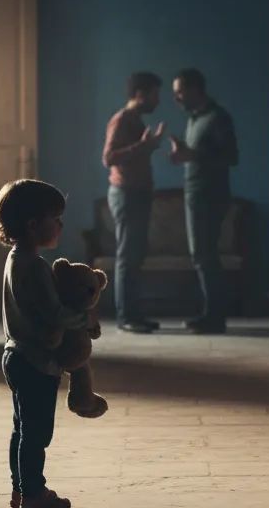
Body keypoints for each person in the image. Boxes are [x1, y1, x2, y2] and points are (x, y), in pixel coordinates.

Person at [0, 178, 102, 508]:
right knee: (37, 432)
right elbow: (53, 313)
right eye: (56, 217)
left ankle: (21, 488)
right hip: (35, 359)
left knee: (22, 427)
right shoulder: (34, 265)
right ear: (33, 224)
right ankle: (34, 494)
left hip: (15, 354)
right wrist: (84, 320)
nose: (61, 224)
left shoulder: (16, 258)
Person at [170, 68, 239, 334]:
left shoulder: (218, 117)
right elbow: (197, 155)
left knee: (205, 256)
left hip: (210, 195)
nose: (176, 98)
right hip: (195, 194)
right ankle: (210, 315)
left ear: (195, 89)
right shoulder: (194, 119)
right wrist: (184, 156)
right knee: (202, 256)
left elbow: (232, 157)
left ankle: (214, 318)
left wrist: (192, 154)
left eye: (179, 92)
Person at [102, 71, 165, 333]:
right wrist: (144, 146)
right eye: (154, 94)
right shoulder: (122, 119)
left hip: (136, 194)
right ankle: (126, 317)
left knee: (135, 256)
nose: (157, 100)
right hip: (126, 194)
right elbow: (108, 157)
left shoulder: (135, 120)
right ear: (140, 93)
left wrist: (147, 146)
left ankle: (134, 315)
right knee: (128, 257)